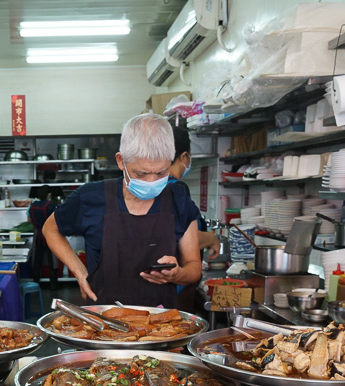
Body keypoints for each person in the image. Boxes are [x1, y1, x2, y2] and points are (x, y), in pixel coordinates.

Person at [43, 113, 201, 307]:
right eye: (141, 173)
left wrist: (178, 274)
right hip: (104, 323)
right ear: (121, 161)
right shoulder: (90, 197)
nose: (151, 181)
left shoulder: (179, 201)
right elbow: (50, 229)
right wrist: (80, 272)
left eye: (161, 172)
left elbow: (194, 267)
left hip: (161, 325)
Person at [168, 119, 221, 258]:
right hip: (176, 271)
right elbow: (181, 237)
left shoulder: (151, 187)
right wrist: (211, 239)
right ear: (184, 156)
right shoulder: (176, 189)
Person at [27, 186, 59, 289]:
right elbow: (56, 220)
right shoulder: (50, 205)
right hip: (50, 234)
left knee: (37, 259)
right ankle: (53, 285)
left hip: (37, 234)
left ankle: (36, 284)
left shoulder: (31, 205)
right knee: (52, 259)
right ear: (48, 194)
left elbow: (29, 220)